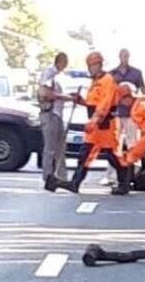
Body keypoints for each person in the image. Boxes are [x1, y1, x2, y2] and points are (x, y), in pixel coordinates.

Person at [47, 51, 123, 194]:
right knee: (85, 155)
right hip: (97, 126)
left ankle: (124, 183)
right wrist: (80, 101)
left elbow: (104, 105)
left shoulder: (108, 81)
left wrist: (95, 120)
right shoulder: (95, 82)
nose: (91, 68)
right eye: (90, 66)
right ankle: (75, 183)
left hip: (106, 125)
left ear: (100, 65)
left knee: (112, 155)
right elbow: (93, 103)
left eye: (93, 65)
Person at [108, 49, 145, 183]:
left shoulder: (136, 73)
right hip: (117, 113)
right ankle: (112, 175)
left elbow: (143, 90)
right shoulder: (112, 73)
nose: (125, 58)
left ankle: (133, 171)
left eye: (127, 56)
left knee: (132, 142)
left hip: (132, 113)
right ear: (119, 57)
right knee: (114, 143)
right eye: (122, 56)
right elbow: (108, 93)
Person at [37, 52, 71, 187]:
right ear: (60, 61)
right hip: (50, 113)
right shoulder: (49, 74)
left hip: (57, 114)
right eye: (65, 61)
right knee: (50, 147)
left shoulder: (58, 76)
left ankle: (61, 176)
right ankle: (48, 176)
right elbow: (45, 93)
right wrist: (65, 97)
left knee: (61, 147)